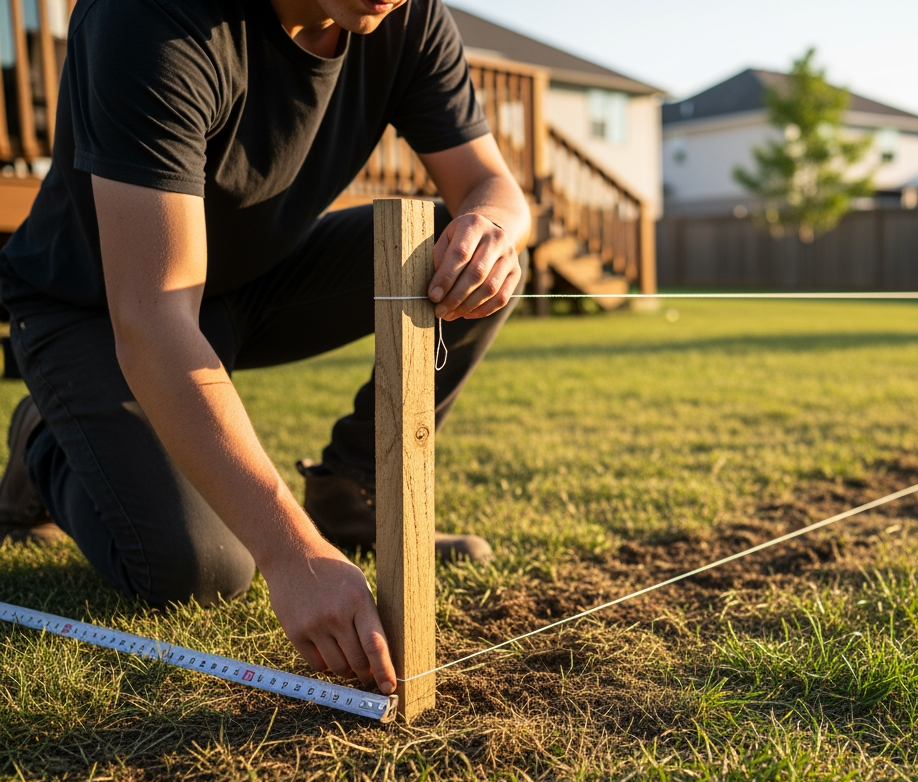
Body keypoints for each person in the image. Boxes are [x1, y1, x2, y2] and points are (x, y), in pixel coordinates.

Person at [0, 0, 531, 698]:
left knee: (451, 254)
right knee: (203, 570)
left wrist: (491, 228)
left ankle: (348, 491)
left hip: (251, 285)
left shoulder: (409, 17)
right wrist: (291, 552)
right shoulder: (152, 19)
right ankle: (47, 437)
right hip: (97, 313)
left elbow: (492, 186)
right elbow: (153, 319)